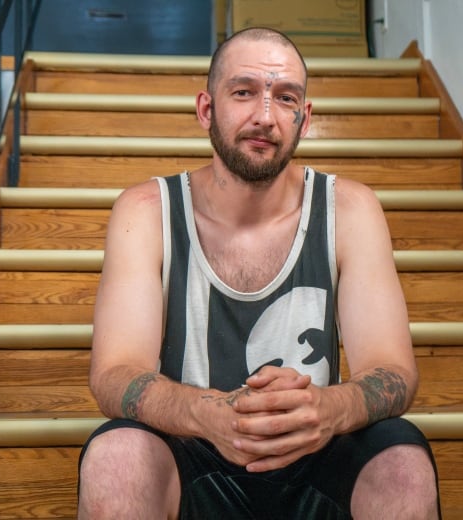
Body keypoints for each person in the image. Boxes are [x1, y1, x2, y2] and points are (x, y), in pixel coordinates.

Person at [78, 27, 440, 519]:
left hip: (316, 452)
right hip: (193, 453)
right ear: (207, 109)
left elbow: (393, 370)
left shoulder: (349, 208)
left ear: (304, 118)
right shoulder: (147, 210)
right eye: (244, 92)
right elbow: (114, 374)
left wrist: (330, 409)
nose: (265, 117)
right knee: (117, 457)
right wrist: (203, 413)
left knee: (402, 458)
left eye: (285, 97)